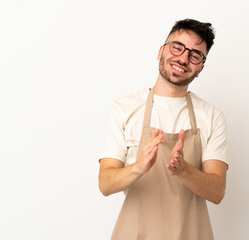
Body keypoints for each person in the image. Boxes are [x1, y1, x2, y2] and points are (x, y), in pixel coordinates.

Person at [98, 19, 229, 240]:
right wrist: (139, 167)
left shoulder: (212, 117)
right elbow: (105, 183)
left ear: (200, 68)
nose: (183, 58)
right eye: (177, 47)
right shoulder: (125, 109)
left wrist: (183, 169)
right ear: (161, 51)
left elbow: (217, 192)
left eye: (195, 55)